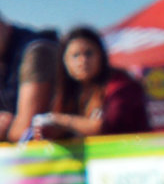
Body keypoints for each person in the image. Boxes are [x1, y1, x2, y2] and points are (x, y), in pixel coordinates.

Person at [17, 27, 148, 143]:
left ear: (101, 55)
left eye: (89, 53)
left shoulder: (121, 86)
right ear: (64, 61)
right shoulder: (68, 92)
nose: (82, 61)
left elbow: (109, 126)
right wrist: (50, 130)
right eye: (75, 55)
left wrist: (63, 121)